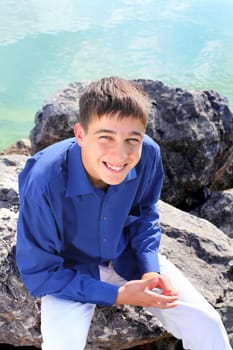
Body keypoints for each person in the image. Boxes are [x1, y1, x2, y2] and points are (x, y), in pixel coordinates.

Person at [16, 76, 232, 350]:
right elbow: (40, 273)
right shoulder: (43, 180)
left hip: (126, 255)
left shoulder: (149, 154)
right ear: (80, 135)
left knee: (207, 324)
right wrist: (117, 294)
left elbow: (144, 217)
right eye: (106, 137)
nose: (120, 154)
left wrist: (149, 269)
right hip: (69, 272)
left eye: (133, 139)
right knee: (62, 345)